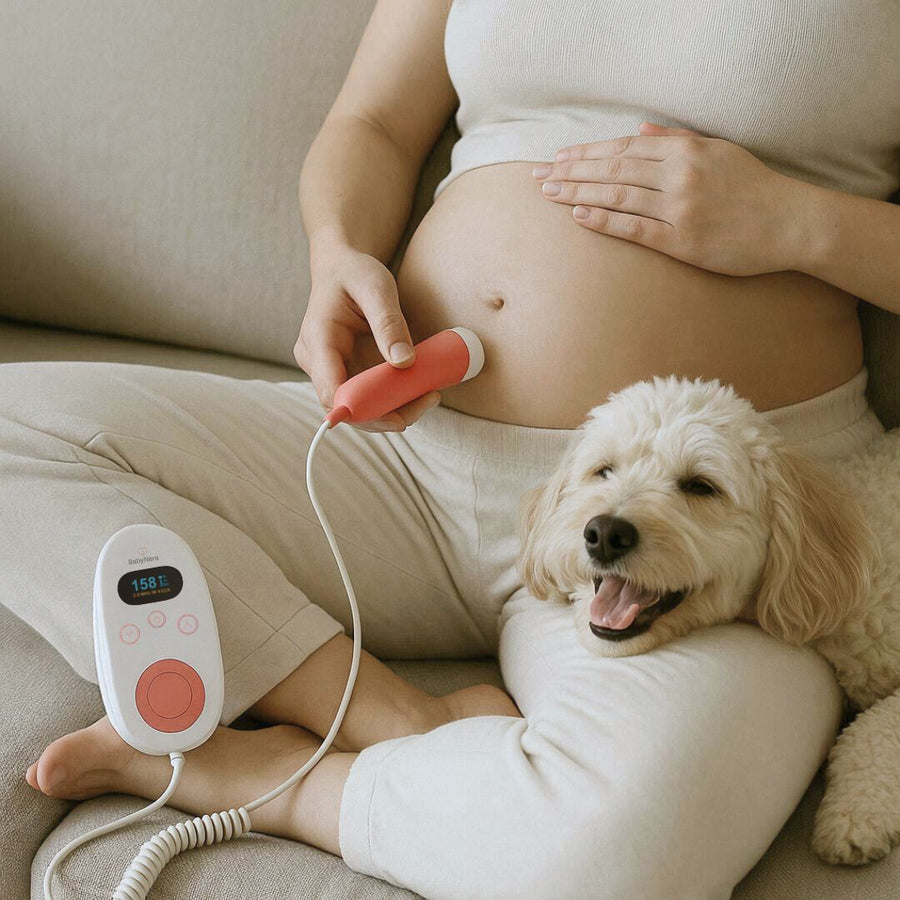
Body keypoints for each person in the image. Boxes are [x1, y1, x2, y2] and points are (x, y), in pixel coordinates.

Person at [10, 1, 899, 897]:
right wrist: (339, 257)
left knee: (610, 864)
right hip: (404, 455)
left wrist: (802, 224)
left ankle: (270, 780)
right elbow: (374, 124)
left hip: (715, 529)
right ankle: (382, 714)